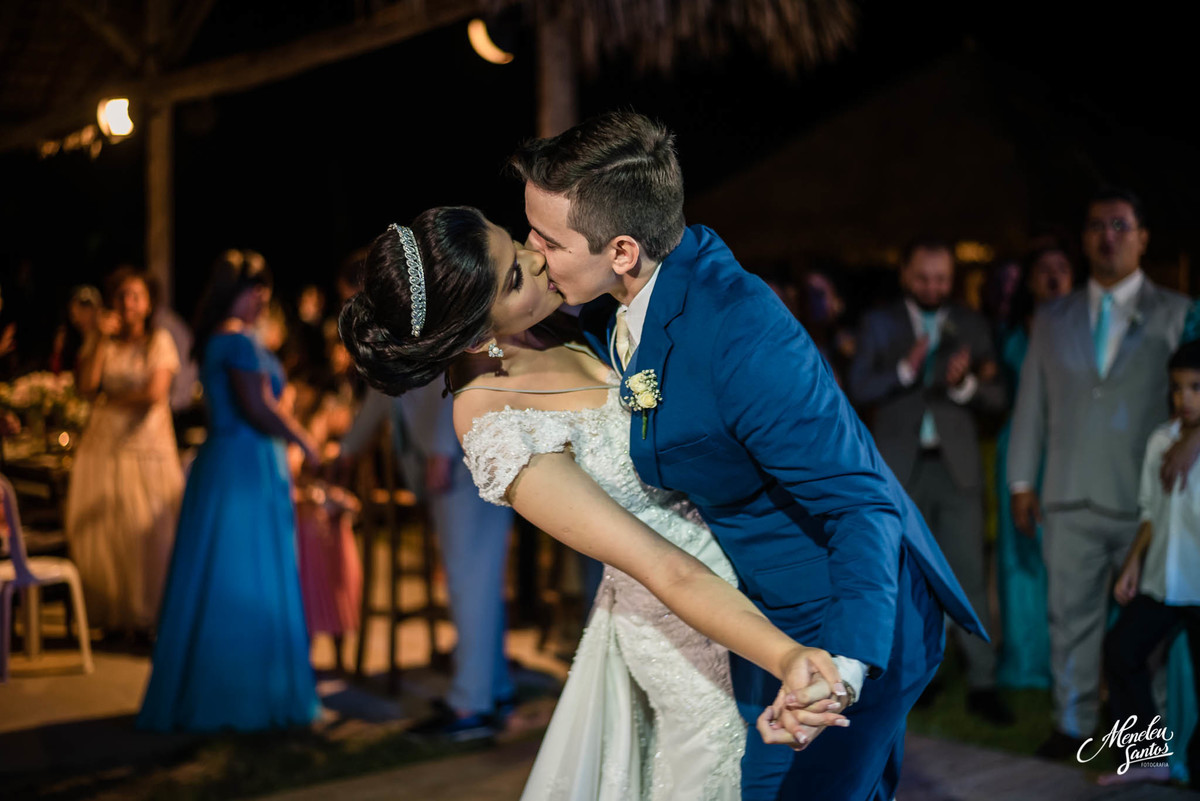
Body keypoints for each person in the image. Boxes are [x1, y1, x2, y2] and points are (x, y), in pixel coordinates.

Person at [510, 110, 984, 800]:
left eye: (548, 240)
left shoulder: (741, 331)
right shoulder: (613, 301)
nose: (531, 251)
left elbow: (860, 504)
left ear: (622, 250)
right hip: (766, 618)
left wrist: (842, 670)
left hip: (850, 607)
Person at [341, 208, 853, 799]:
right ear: (478, 336)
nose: (536, 259)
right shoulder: (493, 422)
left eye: (514, 241)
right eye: (514, 277)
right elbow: (662, 567)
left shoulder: (562, 314)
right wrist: (785, 655)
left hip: (756, 565)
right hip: (683, 629)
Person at [1008, 188, 1190, 757]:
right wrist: (1021, 482)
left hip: (1149, 498)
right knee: (1070, 618)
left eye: (1120, 225)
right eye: (1095, 226)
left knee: (1147, 632)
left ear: (1143, 237)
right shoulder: (1051, 316)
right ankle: (1073, 724)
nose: (1107, 236)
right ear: (1084, 239)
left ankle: (1145, 738)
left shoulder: (1178, 311)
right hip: (1068, 494)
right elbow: (1031, 404)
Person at [138, 250, 321, 732]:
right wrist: (305, 440)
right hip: (244, 469)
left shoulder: (223, 338)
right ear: (242, 292)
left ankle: (219, 690)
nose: (262, 299)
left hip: (228, 465)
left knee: (224, 576)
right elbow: (258, 407)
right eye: (257, 290)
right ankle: (239, 698)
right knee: (241, 578)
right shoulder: (236, 340)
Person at [847, 238, 1010, 725]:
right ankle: (917, 677)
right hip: (900, 470)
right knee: (906, 579)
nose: (933, 287)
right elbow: (858, 386)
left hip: (957, 468)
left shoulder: (972, 323)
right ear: (905, 275)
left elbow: (998, 396)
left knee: (968, 576)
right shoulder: (880, 323)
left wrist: (965, 385)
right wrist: (905, 369)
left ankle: (983, 680)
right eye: (924, 278)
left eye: (942, 279)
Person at [339, 380, 518, 740]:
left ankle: (471, 706)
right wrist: (347, 451)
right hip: (456, 455)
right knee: (475, 579)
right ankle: (493, 689)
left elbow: (456, 374)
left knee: (470, 580)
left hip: (467, 456)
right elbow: (383, 390)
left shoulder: (432, 334)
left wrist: (442, 449)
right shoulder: (391, 351)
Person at [1101, 340, 1200, 789]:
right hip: (1164, 579)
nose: (1185, 398)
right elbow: (1149, 511)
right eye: (1177, 388)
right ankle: (1147, 755)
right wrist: (1132, 562)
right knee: (1121, 649)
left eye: (1196, 388)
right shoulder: (1161, 439)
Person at [66, 267, 182, 640]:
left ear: (148, 304)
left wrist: (109, 401)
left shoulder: (159, 341)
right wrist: (99, 338)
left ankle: (147, 618)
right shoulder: (104, 340)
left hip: (147, 448)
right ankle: (115, 618)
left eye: (135, 296)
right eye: (121, 296)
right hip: (104, 449)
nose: (127, 303)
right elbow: (87, 386)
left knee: (146, 535)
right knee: (109, 537)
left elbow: (154, 394)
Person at [993, 244, 1074, 689]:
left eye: (1062, 268)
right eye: (1045, 269)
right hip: (1020, 448)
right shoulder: (1014, 330)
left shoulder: (1085, 327)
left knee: (1065, 557)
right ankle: (1026, 661)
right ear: (1030, 279)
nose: (1054, 277)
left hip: (1067, 447)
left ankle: (1069, 659)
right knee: (1020, 555)